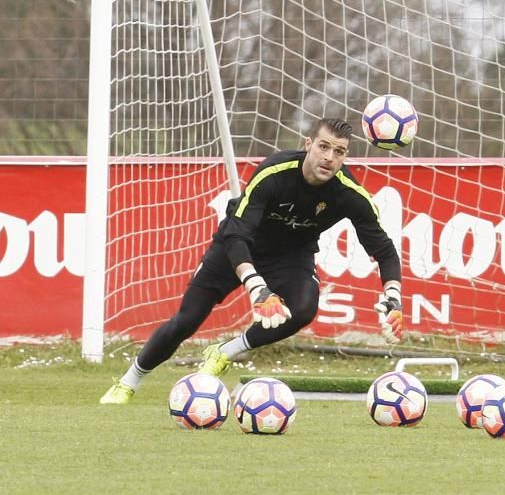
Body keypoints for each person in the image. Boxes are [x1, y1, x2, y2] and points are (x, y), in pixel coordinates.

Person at [100, 118, 403, 404]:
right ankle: (128, 382)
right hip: (238, 247)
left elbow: (385, 250)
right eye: (323, 146)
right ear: (308, 143)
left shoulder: (350, 193)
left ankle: (224, 353)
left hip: (292, 255)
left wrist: (393, 296)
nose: (329, 157)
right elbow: (238, 234)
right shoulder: (274, 171)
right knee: (188, 319)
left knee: (303, 309)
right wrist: (257, 288)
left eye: (339, 152)